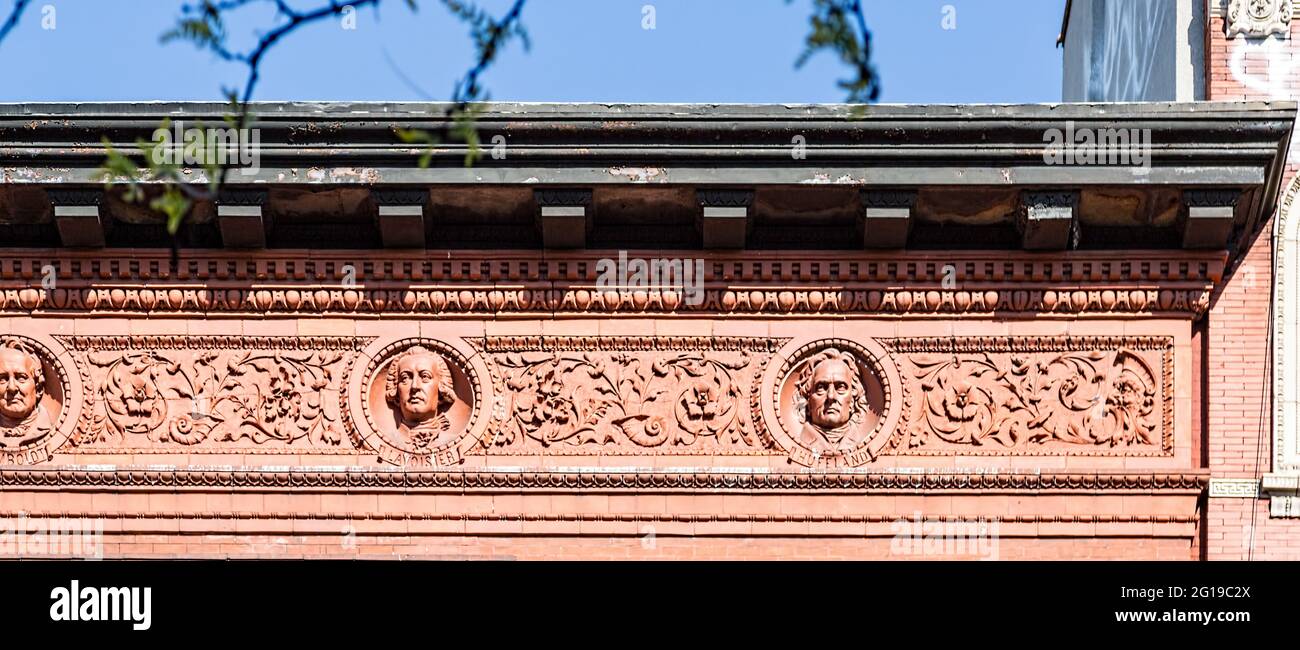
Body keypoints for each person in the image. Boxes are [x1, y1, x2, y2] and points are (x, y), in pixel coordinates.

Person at [383, 346, 458, 449]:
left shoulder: (452, 441)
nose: (414, 386)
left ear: (441, 390)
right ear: (396, 393)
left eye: (425, 377)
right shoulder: (387, 440)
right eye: (405, 378)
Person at [0, 341, 52, 447]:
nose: (12, 388)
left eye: (21, 378)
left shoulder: (46, 425)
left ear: (38, 388)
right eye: (2, 379)